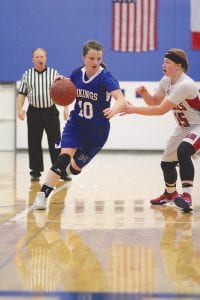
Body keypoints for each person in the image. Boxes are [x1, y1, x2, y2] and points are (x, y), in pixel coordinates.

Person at [32, 40, 126, 210]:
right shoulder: (77, 73)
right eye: (91, 58)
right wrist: (61, 81)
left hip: (97, 133)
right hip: (76, 124)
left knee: (74, 169)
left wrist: (114, 109)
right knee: (63, 158)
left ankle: (64, 172)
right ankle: (42, 195)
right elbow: (66, 88)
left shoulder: (106, 77)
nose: (95, 63)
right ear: (84, 58)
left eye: (98, 59)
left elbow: (121, 99)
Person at [121, 48, 200, 212]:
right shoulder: (166, 81)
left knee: (184, 150)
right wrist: (145, 94)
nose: (163, 65)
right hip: (184, 127)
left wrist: (133, 109)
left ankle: (187, 197)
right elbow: (155, 103)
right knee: (166, 163)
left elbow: (160, 111)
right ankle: (170, 194)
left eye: (167, 62)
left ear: (178, 66)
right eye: (164, 62)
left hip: (198, 125)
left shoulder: (185, 84)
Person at [17, 48, 71, 182]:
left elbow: (63, 91)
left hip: (50, 111)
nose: (39, 59)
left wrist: (65, 108)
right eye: (37, 57)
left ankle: (61, 170)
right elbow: (22, 94)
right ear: (33, 59)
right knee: (34, 141)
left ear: (45, 58)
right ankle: (35, 171)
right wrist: (19, 109)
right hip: (34, 112)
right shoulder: (27, 74)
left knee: (56, 142)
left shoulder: (54, 74)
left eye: (42, 56)